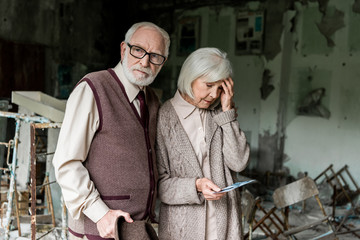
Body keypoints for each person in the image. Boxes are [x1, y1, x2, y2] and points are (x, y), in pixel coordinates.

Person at [52, 22, 170, 240]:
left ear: (162, 63)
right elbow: (66, 163)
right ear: (124, 49)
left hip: (135, 229)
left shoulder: (152, 99)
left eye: (155, 56)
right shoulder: (93, 88)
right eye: (138, 50)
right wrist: (100, 214)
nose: (145, 62)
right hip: (100, 229)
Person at [156, 47, 250, 240]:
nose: (214, 94)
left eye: (220, 87)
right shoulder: (163, 117)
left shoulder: (221, 114)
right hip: (181, 229)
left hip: (225, 227)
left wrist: (227, 114)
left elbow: (239, 162)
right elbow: (160, 186)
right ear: (190, 77)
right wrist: (196, 186)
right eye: (208, 85)